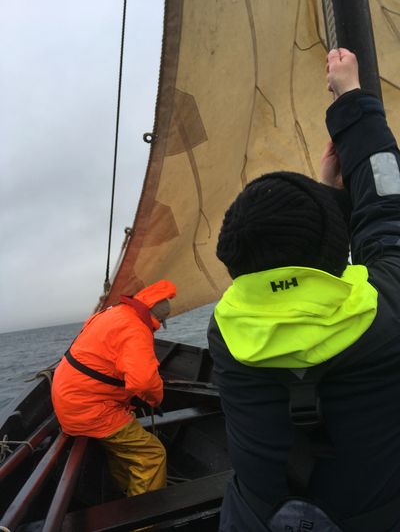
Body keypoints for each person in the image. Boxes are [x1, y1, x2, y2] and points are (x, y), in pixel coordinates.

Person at [208, 48, 400, 531]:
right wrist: (353, 103)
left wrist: (326, 196)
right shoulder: (386, 313)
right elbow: (388, 212)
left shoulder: (225, 333)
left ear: (235, 259)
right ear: (336, 249)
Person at [52, 279, 176, 497]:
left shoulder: (112, 313)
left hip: (69, 398)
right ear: (157, 319)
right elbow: (144, 382)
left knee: (123, 450)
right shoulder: (137, 330)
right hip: (89, 408)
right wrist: (155, 400)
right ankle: (143, 521)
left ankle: (123, 495)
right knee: (152, 455)